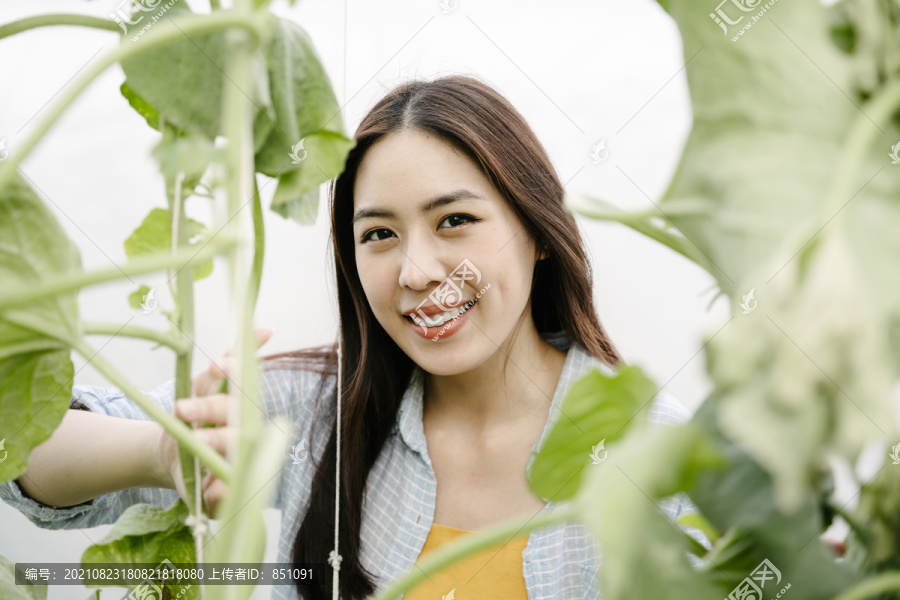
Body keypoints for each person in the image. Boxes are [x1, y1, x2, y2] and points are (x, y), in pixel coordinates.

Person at [1, 75, 701, 600]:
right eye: (379, 235)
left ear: (537, 232)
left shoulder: (664, 451)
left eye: (455, 220)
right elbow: (24, 448)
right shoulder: (313, 405)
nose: (418, 271)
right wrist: (165, 451)